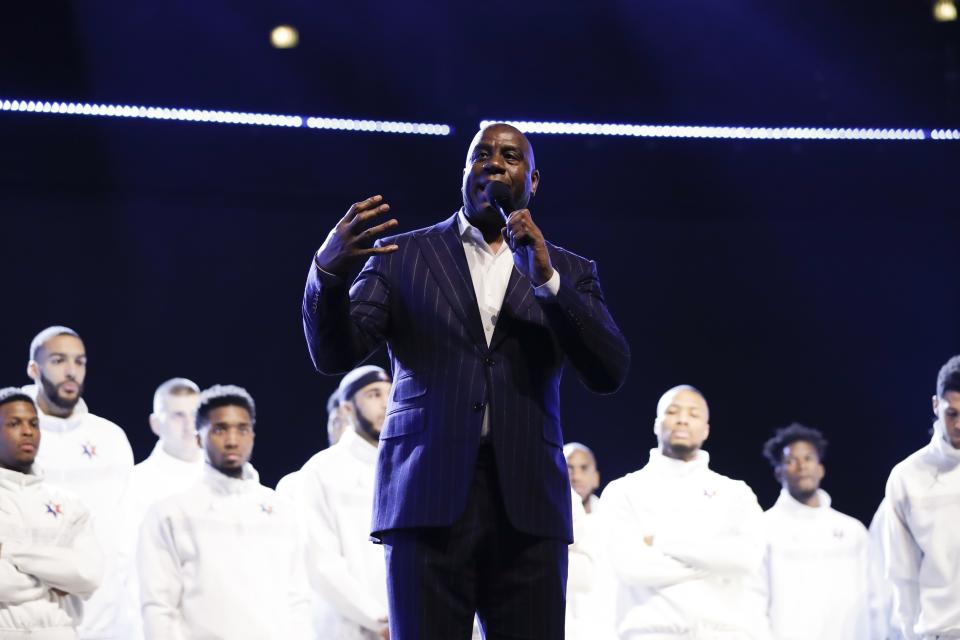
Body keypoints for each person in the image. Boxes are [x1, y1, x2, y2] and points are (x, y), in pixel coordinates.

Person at [302, 123, 630, 640]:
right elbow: (333, 354)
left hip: (529, 504)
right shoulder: (401, 256)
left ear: (533, 180)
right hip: (426, 497)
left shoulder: (567, 269)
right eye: (481, 155)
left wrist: (547, 281)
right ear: (464, 172)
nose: (494, 163)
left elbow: (609, 370)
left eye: (509, 156)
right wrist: (328, 272)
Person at [137, 385, 311, 640]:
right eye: (219, 429)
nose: (232, 440)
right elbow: (159, 607)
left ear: (252, 434)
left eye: (241, 429)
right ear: (199, 438)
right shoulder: (171, 513)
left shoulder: (281, 510)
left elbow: (298, 598)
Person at [600, 385, 766, 640]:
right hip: (650, 633)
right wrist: (714, 560)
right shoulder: (624, 490)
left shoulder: (735, 493)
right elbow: (630, 567)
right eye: (673, 411)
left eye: (694, 414)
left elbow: (745, 560)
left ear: (706, 429)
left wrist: (660, 542)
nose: (682, 419)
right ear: (657, 424)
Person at [23, 326, 134, 639]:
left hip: (106, 619)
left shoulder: (110, 438)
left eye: (79, 362)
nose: (71, 371)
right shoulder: (10, 435)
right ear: (34, 368)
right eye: (58, 361)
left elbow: (125, 533)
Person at [0, 387, 103, 640]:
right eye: (14, 423)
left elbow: (86, 574)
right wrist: (53, 578)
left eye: (34, 423)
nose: (28, 431)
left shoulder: (69, 503)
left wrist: (8, 552)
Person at [298, 365, 392, 639]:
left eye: (389, 393)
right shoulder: (321, 471)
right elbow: (321, 562)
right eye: (374, 394)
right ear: (347, 409)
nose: (386, 403)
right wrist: (379, 619)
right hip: (349, 628)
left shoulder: (408, 465)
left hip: (409, 623)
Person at [759, 423, 872, 640]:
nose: (801, 466)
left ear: (820, 468)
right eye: (791, 461)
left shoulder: (852, 531)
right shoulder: (763, 528)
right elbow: (753, 599)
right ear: (778, 472)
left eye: (808, 458)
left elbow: (875, 597)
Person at [116, 378, 205, 640]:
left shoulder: (227, 479)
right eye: (178, 415)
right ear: (156, 423)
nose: (189, 425)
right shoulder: (136, 483)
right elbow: (126, 566)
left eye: (195, 414)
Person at [883, 355, 960, 640]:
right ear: (936, 405)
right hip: (938, 632)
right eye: (952, 413)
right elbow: (902, 572)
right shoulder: (907, 477)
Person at [564, 442, 601, 515]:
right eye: (568, 469)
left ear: (596, 478)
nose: (576, 477)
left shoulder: (612, 517)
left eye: (584, 468)